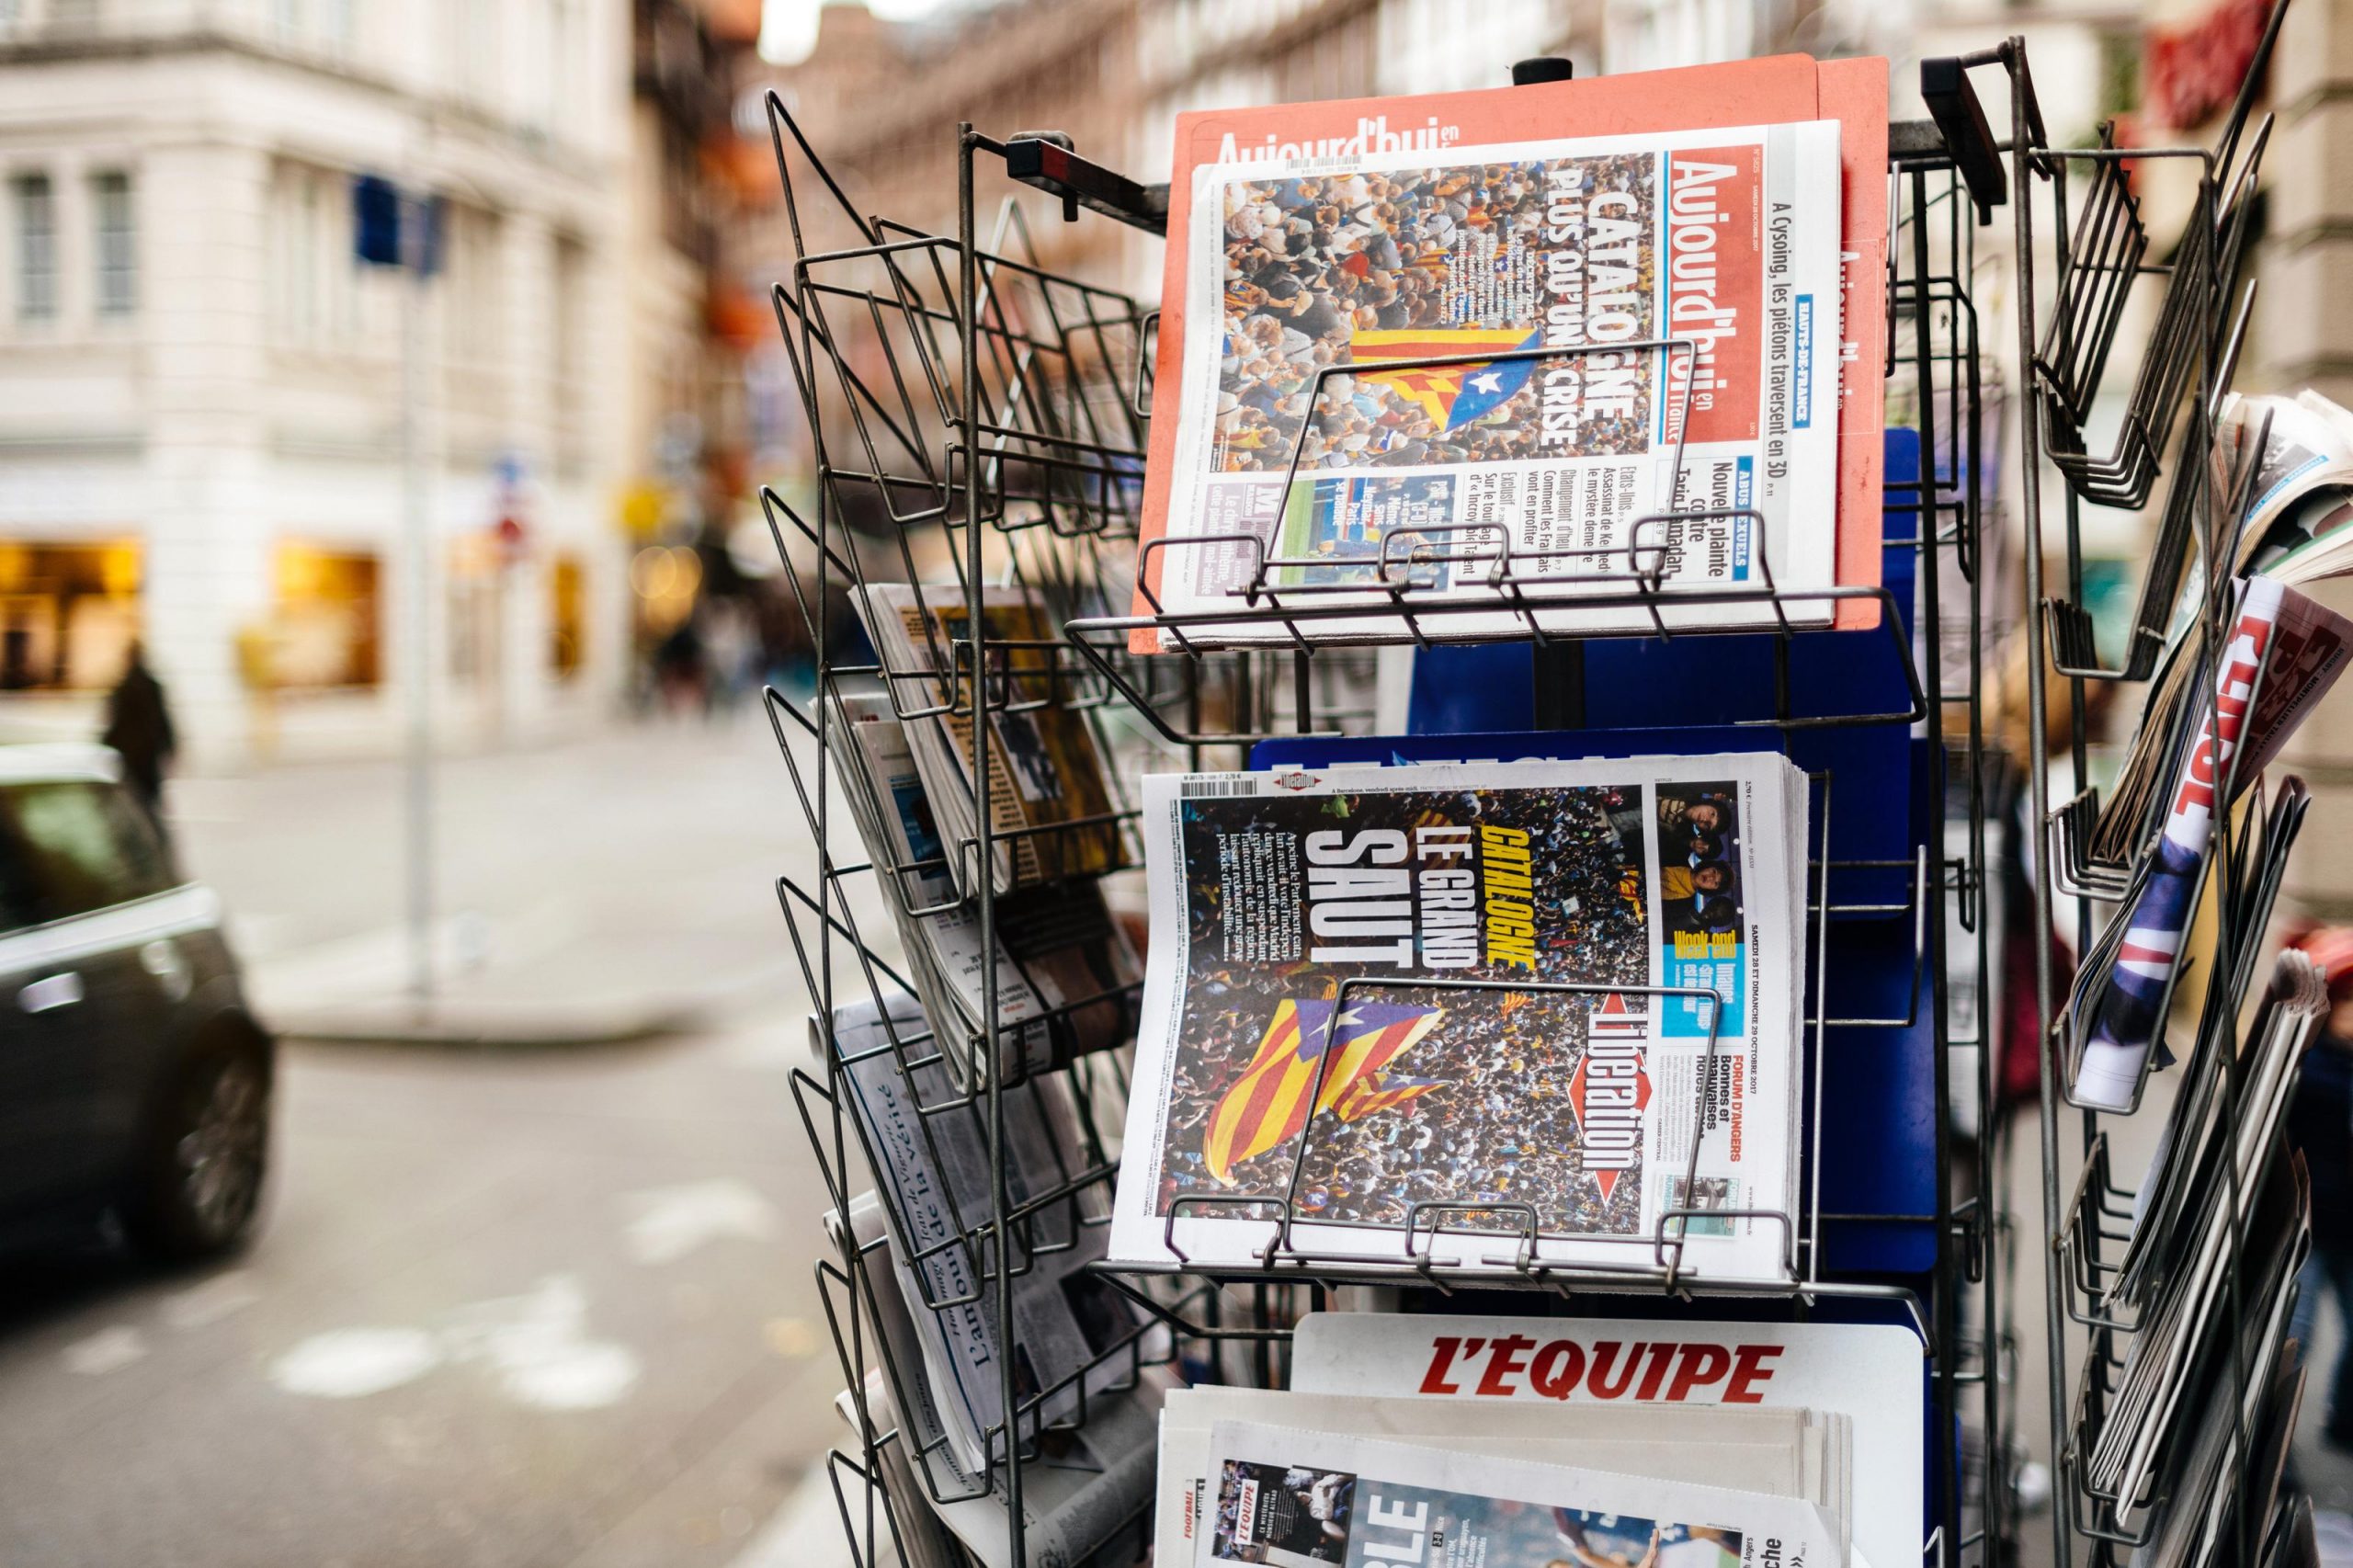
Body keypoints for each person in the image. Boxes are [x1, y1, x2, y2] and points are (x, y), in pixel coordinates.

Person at [2289, 925, 2353, 1449]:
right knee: (2292, 1337)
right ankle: (2268, 1453)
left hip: (2352, 1231)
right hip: (2306, 1228)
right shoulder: (2302, 1069)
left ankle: (2346, 1419)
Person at [101, 640, 176, 830]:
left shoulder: (123, 687)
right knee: (149, 802)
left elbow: (115, 724)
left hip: (131, 755)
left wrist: (105, 745)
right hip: (148, 754)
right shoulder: (151, 686)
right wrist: (169, 745)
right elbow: (162, 720)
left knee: (134, 800)